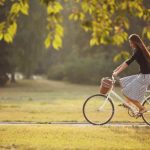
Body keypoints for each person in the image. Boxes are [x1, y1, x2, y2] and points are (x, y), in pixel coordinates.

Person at [112, 34, 150, 114]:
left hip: (145, 77)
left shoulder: (139, 51)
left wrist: (117, 72)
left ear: (135, 42)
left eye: (131, 43)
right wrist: (118, 68)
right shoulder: (137, 50)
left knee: (125, 92)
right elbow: (128, 60)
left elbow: (128, 63)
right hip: (142, 75)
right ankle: (128, 103)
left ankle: (141, 108)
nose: (130, 44)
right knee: (123, 82)